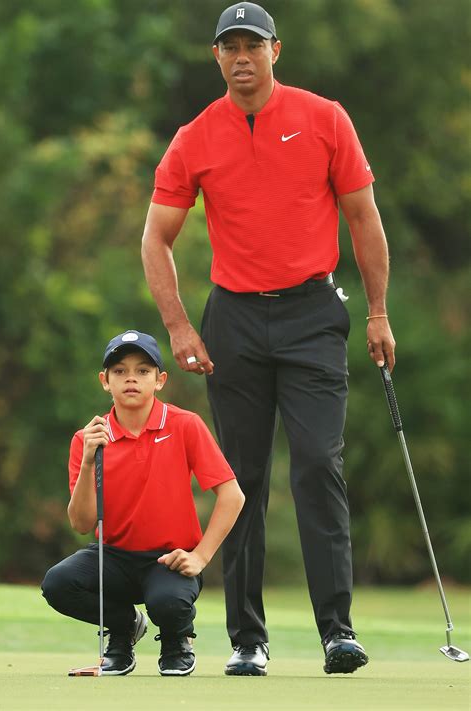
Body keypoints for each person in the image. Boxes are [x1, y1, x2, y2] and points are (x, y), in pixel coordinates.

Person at [141, 2, 396, 676]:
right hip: (235, 320)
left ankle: (337, 630)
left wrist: (378, 311)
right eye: (231, 46)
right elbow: (156, 237)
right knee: (241, 477)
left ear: (276, 51)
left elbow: (364, 218)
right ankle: (247, 639)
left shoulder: (324, 119)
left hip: (314, 311)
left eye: (254, 44)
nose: (243, 56)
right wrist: (178, 325)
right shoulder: (196, 137)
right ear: (217, 57)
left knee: (318, 464)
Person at [41, 330, 245, 677]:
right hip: (114, 558)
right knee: (57, 584)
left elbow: (232, 495)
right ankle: (123, 629)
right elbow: (80, 523)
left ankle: (176, 640)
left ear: (160, 380)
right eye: (119, 371)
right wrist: (90, 461)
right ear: (105, 381)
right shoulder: (87, 439)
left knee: (167, 602)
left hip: (169, 559)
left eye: (142, 370)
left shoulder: (184, 425)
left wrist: (201, 555)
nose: (131, 378)